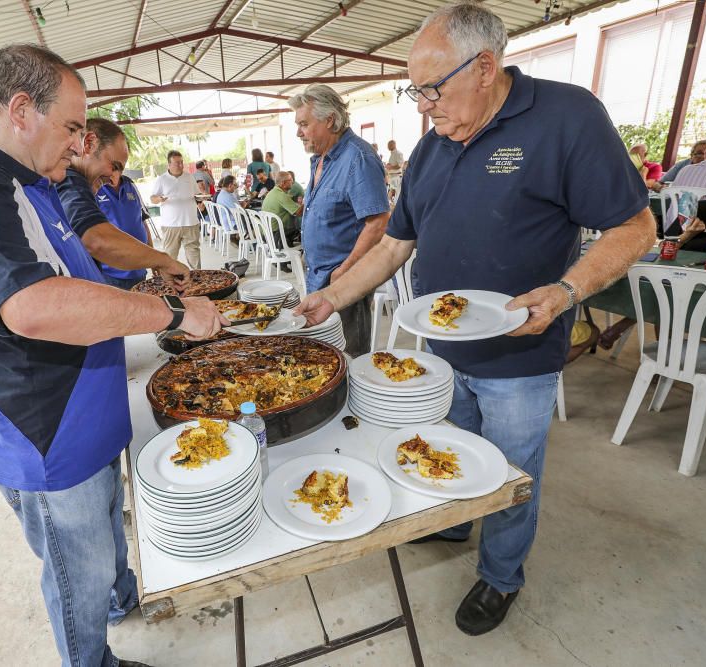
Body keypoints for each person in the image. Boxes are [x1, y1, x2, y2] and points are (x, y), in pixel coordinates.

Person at [295, 1, 654, 636]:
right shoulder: (435, 147)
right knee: (445, 450)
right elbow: (393, 244)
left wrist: (568, 291)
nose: (423, 106)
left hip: (520, 352)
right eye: (417, 91)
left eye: (431, 89)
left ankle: (499, 576)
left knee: (512, 472)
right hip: (436, 354)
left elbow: (636, 226)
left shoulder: (565, 118)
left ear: (485, 67)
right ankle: (452, 520)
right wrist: (334, 296)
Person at [0, 44, 226, 667]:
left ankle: (121, 603)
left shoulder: (32, 181)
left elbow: (82, 274)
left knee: (107, 546)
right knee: (74, 579)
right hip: (47, 436)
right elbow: (31, 305)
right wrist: (171, 313)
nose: (80, 145)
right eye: (73, 127)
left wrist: (144, 290)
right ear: (22, 110)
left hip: (90, 416)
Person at [289, 83, 390, 357]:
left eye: (304, 124)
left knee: (349, 355)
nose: (298, 132)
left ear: (329, 120)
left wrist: (345, 269)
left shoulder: (358, 158)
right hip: (318, 276)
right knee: (326, 354)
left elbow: (378, 222)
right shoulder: (321, 158)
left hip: (345, 279)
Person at [55, 117, 182, 291]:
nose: (112, 177)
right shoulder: (70, 181)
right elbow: (96, 240)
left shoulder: (91, 184)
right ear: (89, 144)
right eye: (114, 166)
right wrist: (164, 260)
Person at [151, 150, 203, 269]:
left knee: (194, 255)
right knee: (169, 256)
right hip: (170, 225)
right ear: (168, 165)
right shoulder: (162, 179)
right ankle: (170, 283)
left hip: (190, 222)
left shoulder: (189, 177)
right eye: (177, 163)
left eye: (181, 162)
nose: (180, 165)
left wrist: (201, 201)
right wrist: (159, 198)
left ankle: (198, 280)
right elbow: (152, 198)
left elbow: (197, 195)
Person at [261, 170, 303, 246]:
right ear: (283, 183)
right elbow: (299, 213)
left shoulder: (272, 192)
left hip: (267, 233)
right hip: (277, 235)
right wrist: (307, 202)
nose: (292, 182)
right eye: (290, 180)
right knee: (303, 231)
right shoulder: (281, 195)